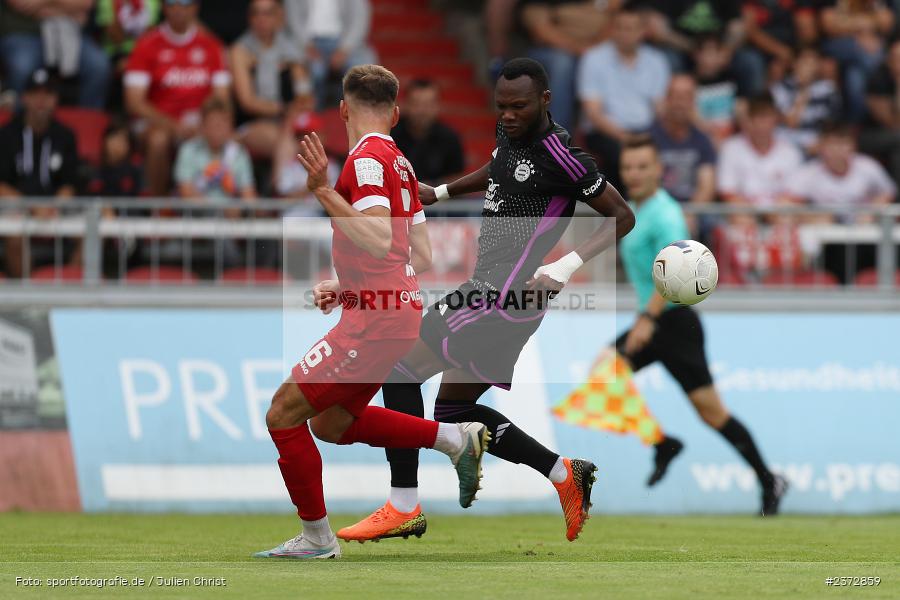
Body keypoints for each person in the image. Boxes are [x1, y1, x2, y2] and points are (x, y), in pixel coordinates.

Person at [336, 58, 635, 545]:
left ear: (545, 100)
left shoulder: (563, 156)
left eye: (519, 106)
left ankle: (403, 505)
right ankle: (564, 474)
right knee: (454, 412)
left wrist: (564, 266)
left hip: (501, 295)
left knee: (400, 369)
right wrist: (442, 192)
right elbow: (499, 168)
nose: (508, 115)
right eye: (502, 106)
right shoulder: (510, 133)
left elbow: (622, 216)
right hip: (502, 296)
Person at [253, 65, 489, 560]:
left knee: (282, 414)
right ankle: (452, 439)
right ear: (397, 113)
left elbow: (381, 240)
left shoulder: (365, 160)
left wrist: (322, 190)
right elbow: (419, 255)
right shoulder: (402, 165)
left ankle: (317, 539)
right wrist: (349, 287)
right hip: (393, 312)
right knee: (330, 424)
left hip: (375, 322)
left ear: (343, 109)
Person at [614, 134, 787, 515]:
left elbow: (677, 271)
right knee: (605, 374)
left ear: (659, 170)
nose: (634, 173)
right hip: (657, 321)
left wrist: (647, 318)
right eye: (628, 167)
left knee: (712, 413)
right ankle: (663, 444)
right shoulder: (635, 209)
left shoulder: (665, 214)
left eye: (642, 166)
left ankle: (768, 479)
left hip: (673, 323)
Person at [124, 0, 231, 197]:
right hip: (158, 122)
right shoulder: (147, 44)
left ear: (195, 7)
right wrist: (173, 125)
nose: (178, 9)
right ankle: (159, 206)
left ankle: (216, 204)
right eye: (172, 4)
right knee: (158, 140)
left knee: (222, 134)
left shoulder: (211, 45)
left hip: (200, 121)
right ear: (164, 8)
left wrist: (204, 124)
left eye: (184, 4)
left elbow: (221, 98)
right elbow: (134, 102)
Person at [784, 123, 896, 283]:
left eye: (843, 144)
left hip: (864, 240)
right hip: (828, 244)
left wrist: (874, 210)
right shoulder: (808, 173)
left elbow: (888, 193)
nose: (837, 151)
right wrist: (811, 216)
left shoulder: (868, 167)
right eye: (832, 145)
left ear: (853, 146)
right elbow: (784, 204)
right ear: (821, 147)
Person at [577, 7, 670, 190]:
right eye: (618, 27)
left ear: (642, 31)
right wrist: (625, 137)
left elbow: (660, 108)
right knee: (623, 154)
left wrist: (648, 135)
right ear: (611, 29)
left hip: (646, 131)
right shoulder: (594, 58)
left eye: (629, 28)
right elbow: (593, 113)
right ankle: (625, 204)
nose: (623, 33)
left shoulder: (656, 60)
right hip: (605, 132)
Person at [0, 69, 79, 278]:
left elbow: (70, 183)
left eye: (48, 94)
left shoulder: (65, 135)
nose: (41, 100)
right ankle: (28, 294)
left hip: (55, 207)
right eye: (35, 94)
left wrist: (55, 206)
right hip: (17, 207)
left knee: (90, 231)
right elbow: (1, 185)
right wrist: (32, 207)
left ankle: (68, 287)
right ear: (24, 98)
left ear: (56, 99)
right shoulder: (6, 134)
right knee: (14, 231)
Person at [231, 0, 314, 161]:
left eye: (267, 13)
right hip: (252, 124)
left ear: (279, 17)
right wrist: (284, 110)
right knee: (286, 143)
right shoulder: (240, 51)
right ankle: (282, 178)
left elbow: (305, 94)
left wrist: (295, 111)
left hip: (288, 121)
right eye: (256, 14)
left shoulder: (292, 50)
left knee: (316, 139)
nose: (261, 19)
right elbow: (247, 102)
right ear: (249, 18)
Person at [519, 0, 618, 130]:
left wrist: (593, 50)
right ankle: (556, 134)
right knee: (563, 63)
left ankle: (607, 132)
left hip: (595, 48)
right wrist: (580, 49)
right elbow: (541, 30)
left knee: (614, 57)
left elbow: (617, 20)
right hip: (551, 50)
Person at [0, 0, 111, 109]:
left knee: (98, 66)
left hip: (70, 33)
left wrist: (42, 3)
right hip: (22, 35)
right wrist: (65, 11)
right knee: (22, 67)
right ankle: (18, 119)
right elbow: (21, 3)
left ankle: (87, 119)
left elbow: (86, 3)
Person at [283, 0, 377, 109]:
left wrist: (344, 49)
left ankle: (360, 113)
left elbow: (359, 20)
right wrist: (307, 45)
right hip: (307, 41)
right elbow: (293, 20)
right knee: (312, 70)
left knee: (365, 69)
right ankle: (311, 112)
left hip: (344, 40)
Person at [717, 94, 803, 208]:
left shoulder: (791, 152)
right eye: (758, 116)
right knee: (739, 213)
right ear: (749, 119)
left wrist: (771, 212)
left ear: (776, 119)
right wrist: (752, 212)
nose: (762, 123)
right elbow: (727, 191)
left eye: (767, 116)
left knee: (787, 211)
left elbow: (795, 194)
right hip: (742, 213)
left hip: (779, 214)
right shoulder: (731, 148)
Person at [649, 75, 717, 205]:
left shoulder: (703, 140)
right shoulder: (648, 138)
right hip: (657, 208)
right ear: (666, 99)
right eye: (676, 96)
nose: (680, 103)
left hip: (693, 209)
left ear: (693, 102)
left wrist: (689, 213)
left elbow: (707, 187)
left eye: (686, 97)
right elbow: (643, 184)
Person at [174, 98, 256, 204]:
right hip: (196, 214)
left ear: (231, 127)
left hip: (230, 214)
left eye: (222, 124)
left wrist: (239, 208)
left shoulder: (239, 153)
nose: (218, 130)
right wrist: (219, 208)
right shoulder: (188, 150)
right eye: (213, 124)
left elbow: (249, 196)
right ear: (202, 126)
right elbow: (186, 193)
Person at [391, 79, 465, 185]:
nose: (422, 111)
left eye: (428, 104)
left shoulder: (449, 137)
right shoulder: (391, 134)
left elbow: (457, 177)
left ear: (438, 105)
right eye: (416, 104)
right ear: (405, 104)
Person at [770, 46, 841, 153]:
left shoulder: (828, 89)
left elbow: (833, 123)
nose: (809, 67)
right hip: (785, 142)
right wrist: (804, 89)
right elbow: (791, 122)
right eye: (805, 62)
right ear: (794, 64)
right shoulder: (780, 87)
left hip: (815, 144)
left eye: (813, 63)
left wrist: (822, 142)